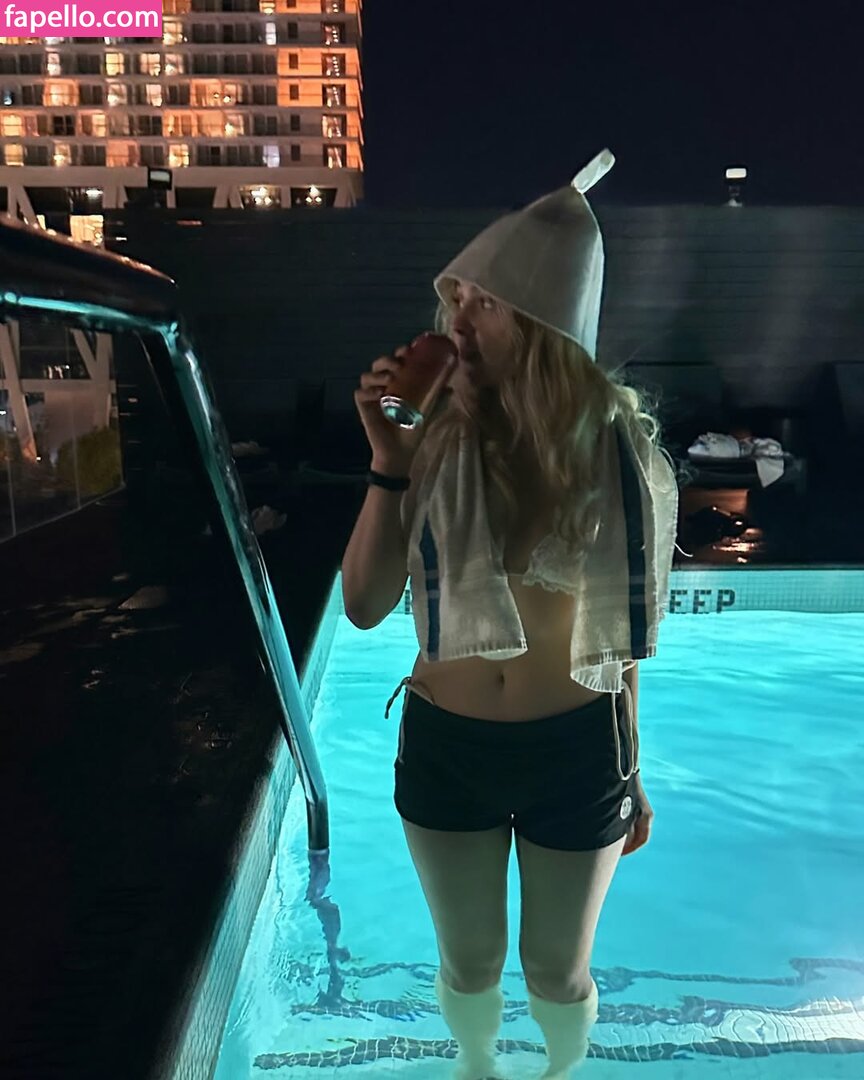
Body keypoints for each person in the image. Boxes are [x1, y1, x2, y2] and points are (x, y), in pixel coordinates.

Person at [341, 150, 679, 1080]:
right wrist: (387, 461)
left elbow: (622, 638)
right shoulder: (428, 433)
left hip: (579, 747)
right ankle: (477, 1064)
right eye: (455, 297)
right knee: (471, 964)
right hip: (448, 743)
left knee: (558, 973)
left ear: (542, 315)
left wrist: (635, 770)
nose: (456, 319)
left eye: (482, 301)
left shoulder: (619, 453)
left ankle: (559, 1074)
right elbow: (363, 607)